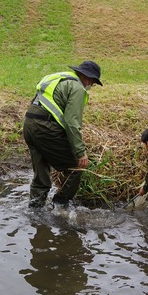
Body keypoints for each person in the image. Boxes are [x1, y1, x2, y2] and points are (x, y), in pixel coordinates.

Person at [23, 61, 103, 208]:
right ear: (87, 78)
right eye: (93, 82)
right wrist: (80, 152)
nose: (92, 85)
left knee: (41, 177)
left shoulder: (58, 78)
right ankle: (60, 206)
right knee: (76, 168)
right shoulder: (78, 88)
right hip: (45, 128)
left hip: (29, 124)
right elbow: (72, 122)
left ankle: (35, 211)